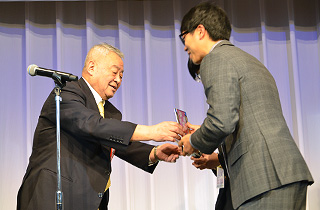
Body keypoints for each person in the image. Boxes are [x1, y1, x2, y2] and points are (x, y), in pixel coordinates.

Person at [178, 2, 313, 210]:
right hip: (283, 175)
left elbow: (221, 122)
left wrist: (193, 142)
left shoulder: (215, 59)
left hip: (264, 180)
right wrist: (216, 155)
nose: (184, 45)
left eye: (183, 36)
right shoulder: (249, 61)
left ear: (200, 31)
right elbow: (249, 123)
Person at [17, 43, 185, 210]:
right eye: (114, 72)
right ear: (92, 67)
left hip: (90, 200)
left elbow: (114, 142)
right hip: (52, 195)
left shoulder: (109, 111)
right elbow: (92, 125)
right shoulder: (66, 92)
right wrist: (152, 131)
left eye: (121, 75)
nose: (118, 80)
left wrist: (154, 153)